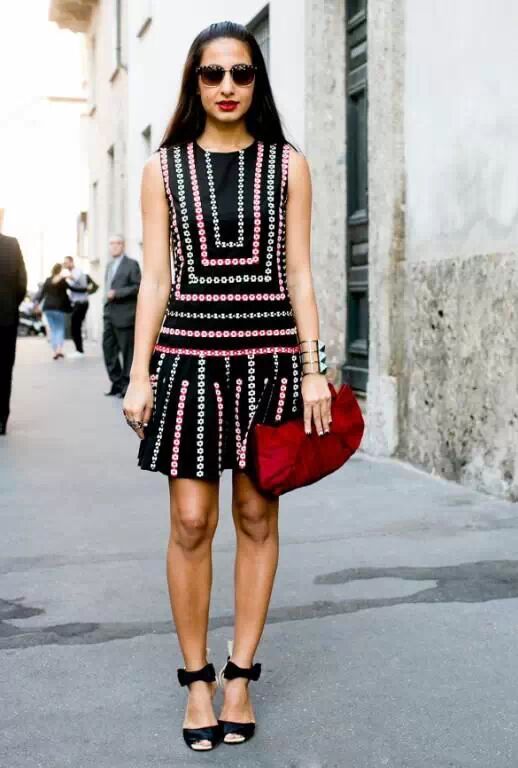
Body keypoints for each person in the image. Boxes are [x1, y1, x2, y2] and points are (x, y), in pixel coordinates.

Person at [123, 21, 331, 752]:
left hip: (268, 360)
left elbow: (299, 272)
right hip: (188, 361)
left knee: (255, 515)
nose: (227, 87)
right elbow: (156, 278)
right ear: (195, 82)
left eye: (241, 73)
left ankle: (240, 674)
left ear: (256, 81)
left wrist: (314, 367)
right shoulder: (163, 169)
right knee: (190, 521)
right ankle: (197, 681)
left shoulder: (288, 165)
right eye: (212, 74)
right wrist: (139, 373)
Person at [102, 235, 141, 398]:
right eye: (111, 243)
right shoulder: (109, 265)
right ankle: (117, 383)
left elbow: (138, 286)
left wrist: (117, 293)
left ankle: (126, 386)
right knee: (108, 350)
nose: (114, 246)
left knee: (127, 353)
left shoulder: (131, 264)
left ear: (123, 245)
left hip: (125, 316)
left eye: (117, 243)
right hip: (109, 315)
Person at [0, 233, 27, 435]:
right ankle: (1, 419)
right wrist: (10, 304)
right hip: (6, 318)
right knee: (4, 369)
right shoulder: (11, 244)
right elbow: (21, 283)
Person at [35, 263, 71, 360]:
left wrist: (37, 304)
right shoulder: (62, 281)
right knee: (60, 329)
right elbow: (71, 289)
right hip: (59, 308)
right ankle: (59, 350)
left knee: (53, 329)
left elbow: (42, 294)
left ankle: (55, 352)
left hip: (47, 308)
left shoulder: (48, 280)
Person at [63, 255, 89, 358]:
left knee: (75, 326)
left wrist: (65, 278)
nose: (65, 265)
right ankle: (79, 350)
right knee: (75, 326)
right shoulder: (71, 273)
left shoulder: (77, 272)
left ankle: (79, 351)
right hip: (77, 303)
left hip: (81, 303)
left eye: (66, 263)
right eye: (64, 263)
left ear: (71, 262)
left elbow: (79, 285)